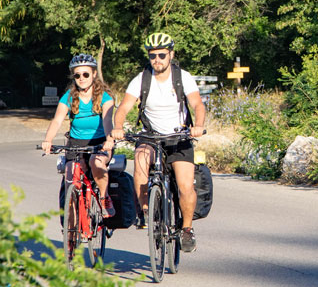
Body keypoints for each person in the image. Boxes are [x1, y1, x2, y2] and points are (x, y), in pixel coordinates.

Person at [109, 33, 205, 252]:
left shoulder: (183, 77)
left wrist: (197, 125)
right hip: (150, 136)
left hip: (179, 137)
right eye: (153, 56)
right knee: (140, 160)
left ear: (171, 54)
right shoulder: (141, 79)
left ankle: (187, 229)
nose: (157, 60)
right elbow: (123, 108)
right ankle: (146, 213)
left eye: (162, 55)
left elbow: (198, 104)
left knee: (185, 185)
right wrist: (118, 127)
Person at [41, 54, 115, 217]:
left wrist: (109, 140)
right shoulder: (69, 96)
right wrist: (48, 140)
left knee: (96, 163)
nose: (82, 78)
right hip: (75, 143)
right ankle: (71, 229)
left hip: (100, 142)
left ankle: (104, 197)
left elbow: (108, 119)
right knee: (70, 173)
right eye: (77, 75)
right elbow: (57, 120)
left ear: (94, 74)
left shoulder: (104, 96)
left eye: (86, 74)